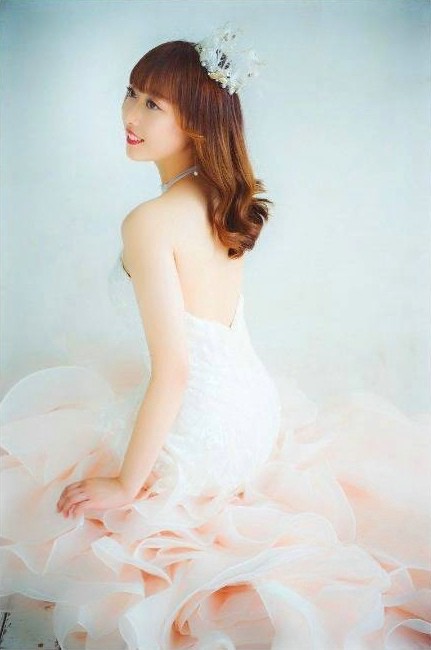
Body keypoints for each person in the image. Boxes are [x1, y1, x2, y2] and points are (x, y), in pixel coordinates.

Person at [0, 22, 429, 650]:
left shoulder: (150, 221)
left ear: (197, 122)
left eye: (154, 104)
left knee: (38, 479)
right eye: (131, 93)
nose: (130, 116)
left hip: (198, 436)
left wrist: (124, 485)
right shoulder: (222, 194)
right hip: (253, 416)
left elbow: (174, 371)